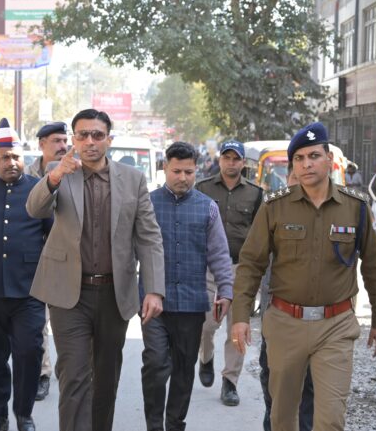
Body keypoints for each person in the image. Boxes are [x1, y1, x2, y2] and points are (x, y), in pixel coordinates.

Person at [231, 122, 376, 431]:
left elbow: (374, 267)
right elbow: (250, 265)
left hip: (336, 326)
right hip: (285, 324)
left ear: (329, 159)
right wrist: (240, 317)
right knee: (282, 418)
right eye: (299, 159)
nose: (306, 164)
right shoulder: (274, 207)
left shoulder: (355, 207)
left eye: (314, 156)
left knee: (331, 419)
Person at [26, 108, 165, 431]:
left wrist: (154, 290)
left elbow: (149, 236)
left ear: (108, 140)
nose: (90, 141)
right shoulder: (60, 172)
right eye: (83, 135)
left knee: (105, 378)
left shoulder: (132, 179)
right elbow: (34, 209)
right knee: (74, 375)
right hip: (68, 294)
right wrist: (55, 177)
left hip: (114, 294)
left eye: (97, 135)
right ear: (74, 140)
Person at [140, 141, 233, 431]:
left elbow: (219, 254)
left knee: (183, 368)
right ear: (164, 168)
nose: (183, 177)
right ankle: (154, 425)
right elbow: (129, 251)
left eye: (189, 172)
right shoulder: (146, 204)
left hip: (192, 305)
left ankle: (175, 423)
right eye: (177, 171)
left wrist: (225, 290)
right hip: (153, 303)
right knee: (156, 364)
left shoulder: (208, 208)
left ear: (196, 171)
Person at [0, 119, 51, 431]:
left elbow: (52, 236)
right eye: (5, 157)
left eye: (16, 157)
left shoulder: (39, 190)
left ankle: (24, 414)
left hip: (29, 290)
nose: (11, 162)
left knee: (29, 353)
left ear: (23, 158)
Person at [195, 139, 262, 406]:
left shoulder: (255, 194)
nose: (231, 162)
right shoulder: (202, 188)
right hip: (208, 268)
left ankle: (230, 381)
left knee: (238, 325)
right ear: (220, 159)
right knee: (206, 324)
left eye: (236, 158)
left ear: (243, 163)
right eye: (227, 157)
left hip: (240, 269)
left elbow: (260, 234)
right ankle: (206, 356)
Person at [258, 163, 314, 431]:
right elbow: (253, 263)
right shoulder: (272, 210)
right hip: (277, 315)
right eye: (296, 176)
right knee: (272, 377)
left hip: (316, 321)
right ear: (288, 179)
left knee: (309, 386)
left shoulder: (329, 214)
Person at [24, 120, 68, 401]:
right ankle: (43, 373)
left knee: (67, 323)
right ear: (42, 145)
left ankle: (69, 368)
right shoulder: (26, 176)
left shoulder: (75, 172)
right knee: (38, 323)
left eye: (65, 141)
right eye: (56, 141)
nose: (63, 146)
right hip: (34, 261)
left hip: (67, 261)